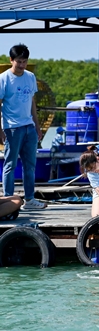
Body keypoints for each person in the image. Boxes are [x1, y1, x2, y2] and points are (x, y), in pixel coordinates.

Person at [0, 44, 46, 210]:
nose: (21, 65)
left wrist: (37, 127)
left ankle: (29, 199)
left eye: (24, 62)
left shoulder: (30, 76)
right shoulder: (3, 78)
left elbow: (32, 102)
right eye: (18, 61)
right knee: (10, 165)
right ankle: (8, 200)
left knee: (30, 165)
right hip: (12, 128)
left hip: (29, 127)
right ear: (11, 60)